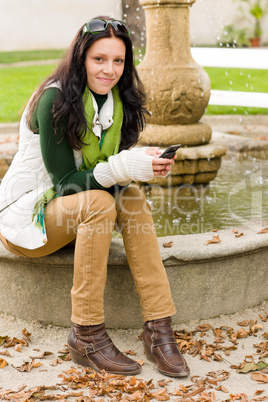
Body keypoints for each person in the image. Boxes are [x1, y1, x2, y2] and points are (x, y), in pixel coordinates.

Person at [0, 16, 190, 378]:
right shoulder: (54, 98)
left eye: (118, 61)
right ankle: (86, 334)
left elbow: (109, 172)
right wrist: (125, 167)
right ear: (80, 58)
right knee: (101, 202)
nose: (110, 70)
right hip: (27, 218)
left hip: (70, 211)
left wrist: (143, 165)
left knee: (131, 198)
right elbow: (69, 181)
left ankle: (159, 328)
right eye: (99, 59)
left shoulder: (116, 103)